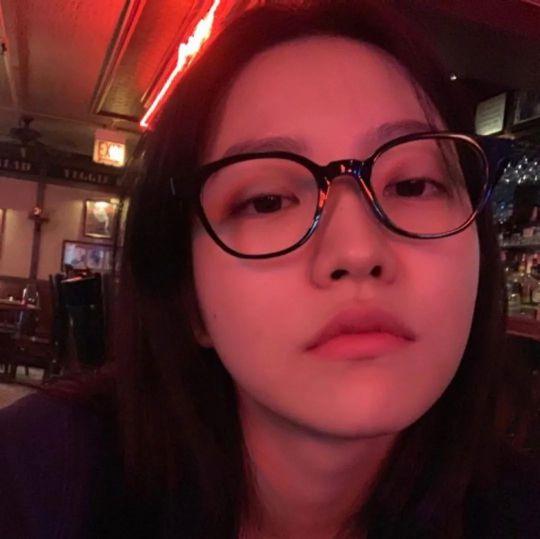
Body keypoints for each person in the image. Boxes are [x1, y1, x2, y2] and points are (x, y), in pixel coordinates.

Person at [0, 1, 539, 538]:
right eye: (267, 202)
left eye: (413, 185)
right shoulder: (38, 479)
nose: (357, 251)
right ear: (188, 296)